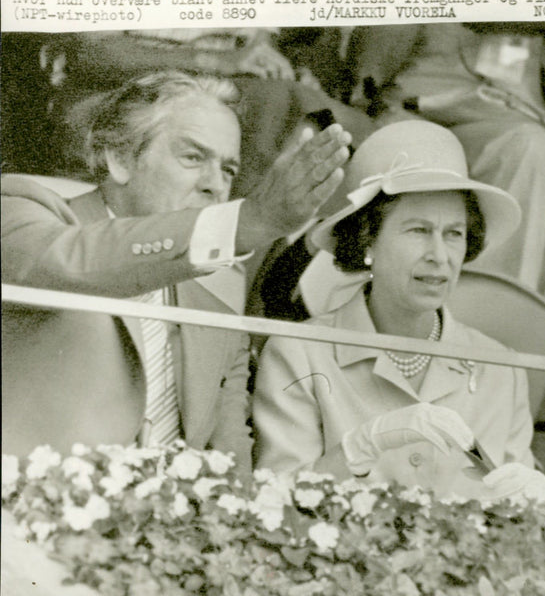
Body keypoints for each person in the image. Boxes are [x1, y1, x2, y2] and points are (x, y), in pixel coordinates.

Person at [1, 70, 352, 479]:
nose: (214, 187)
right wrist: (248, 222)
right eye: (193, 157)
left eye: (228, 170)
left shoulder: (220, 317)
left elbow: (230, 470)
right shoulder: (22, 212)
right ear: (120, 158)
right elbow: (70, 262)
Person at [253, 120, 545, 505]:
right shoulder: (299, 353)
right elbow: (274, 508)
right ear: (368, 241)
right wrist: (361, 447)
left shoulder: (500, 369)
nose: (439, 256)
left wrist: (536, 504)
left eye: (454, 234)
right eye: (418, 230)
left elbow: (515, 513)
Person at [354, 22, 545, 357]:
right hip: (437, 128)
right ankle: (495, 340)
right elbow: (365, 90)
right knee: (528, 146)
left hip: (526, 122)